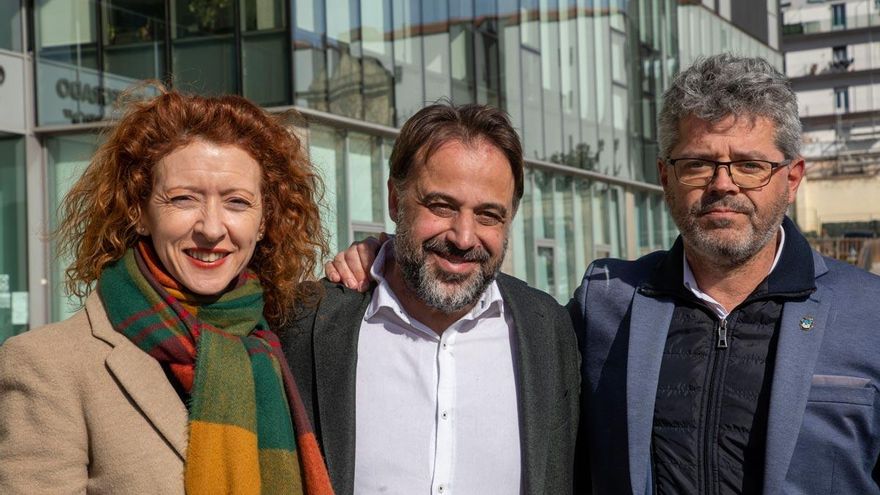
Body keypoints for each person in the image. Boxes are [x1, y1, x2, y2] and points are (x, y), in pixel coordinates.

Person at [327, 54, 880, 494]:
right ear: (664, 175)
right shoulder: (607, 301)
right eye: (697, 163)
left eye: (751, 165)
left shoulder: (868, 314)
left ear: (794, 177)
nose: (722, 184)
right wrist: (389, 255)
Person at [0, 89, 334, 494]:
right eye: (183, 199)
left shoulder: (281, 345)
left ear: (264, 221)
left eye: (237, 202)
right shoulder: (48, 364)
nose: (212, 228)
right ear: (138, 211)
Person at [281, 103, 580, 494]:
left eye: (489, 215)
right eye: (441, 206)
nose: (464, 237)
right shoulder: (308, 324)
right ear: (394, 199)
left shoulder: (549, 331)